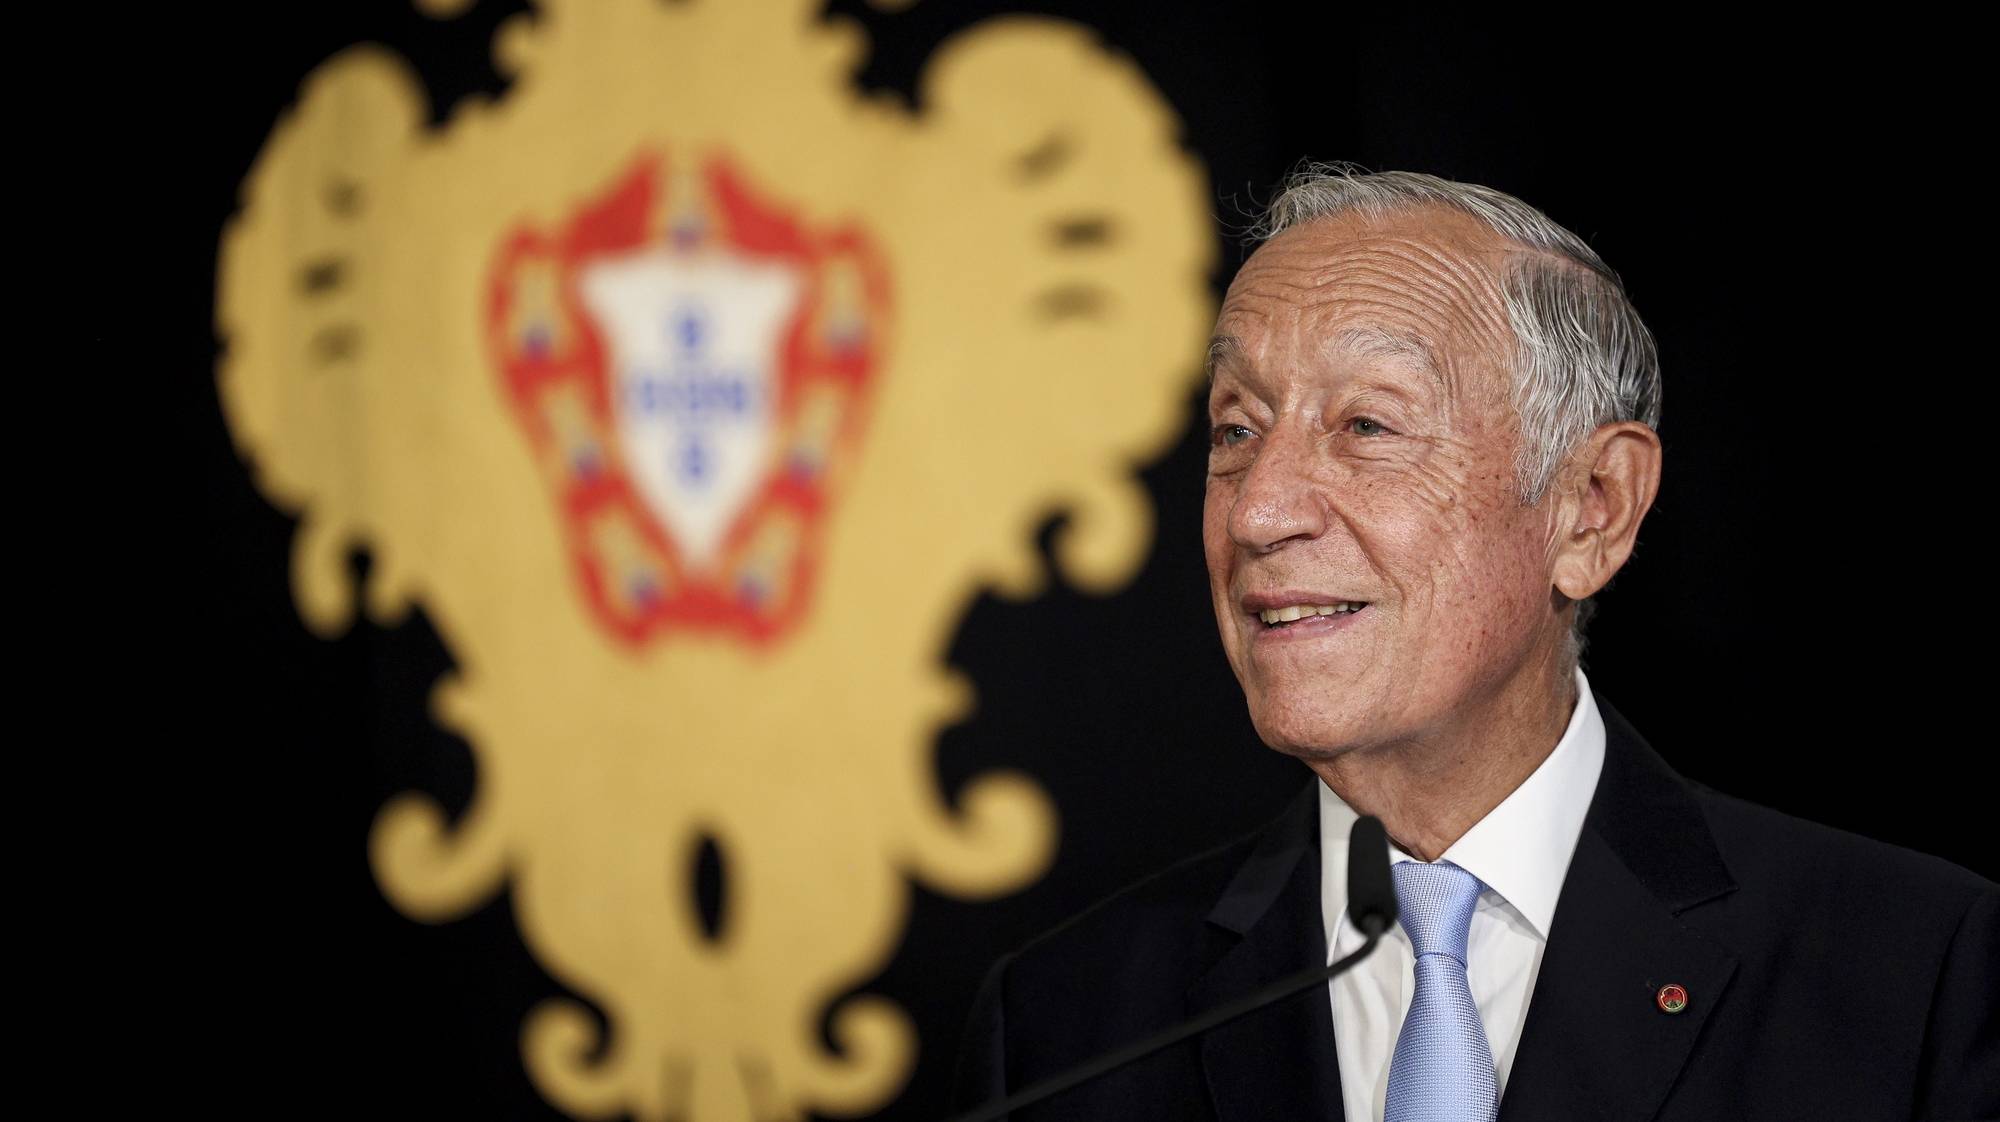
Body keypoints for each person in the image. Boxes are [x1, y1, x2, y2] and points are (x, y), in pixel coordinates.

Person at [950, 168, 1999, 1121]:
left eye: (1366, 427)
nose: (1257, 511)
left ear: (1591, 509)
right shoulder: (1064, 1026)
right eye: (1235, 429)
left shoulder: (1916, 974)